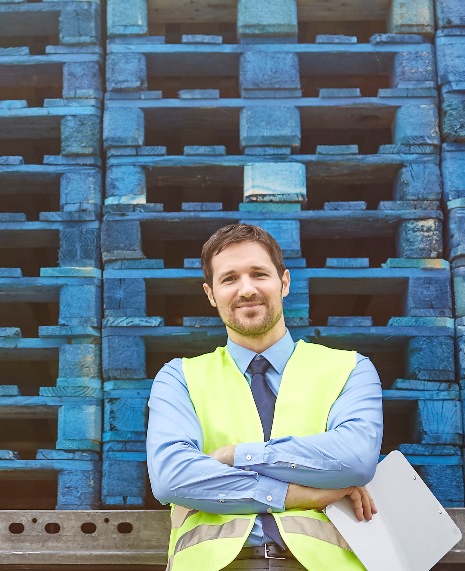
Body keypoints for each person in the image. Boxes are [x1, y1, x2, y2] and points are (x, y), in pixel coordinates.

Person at [146, 224, 384, 570]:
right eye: (229, 279)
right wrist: (299, 494)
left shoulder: (350, 368)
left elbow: (355, 460)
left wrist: (236, 455)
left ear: (284, 282)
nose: (246, 290)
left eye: (259, 274)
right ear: (210, 294)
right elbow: (172, 477)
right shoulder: (179, 377)